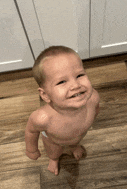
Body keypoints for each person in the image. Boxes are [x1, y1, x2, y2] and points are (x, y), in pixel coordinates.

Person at [25, 46, 100, 175]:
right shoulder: (43, 118)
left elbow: (96, 108)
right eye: (62, 82)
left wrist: (93, 116)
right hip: (54, 140)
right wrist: (31, 149)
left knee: (76, 142)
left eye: (80, 75)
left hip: (79, 135)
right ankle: (54, 159)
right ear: (45, 95)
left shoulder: (93, 98)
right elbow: (31, 131)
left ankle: (74, 146)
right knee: (54, 151)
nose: (76, 85)